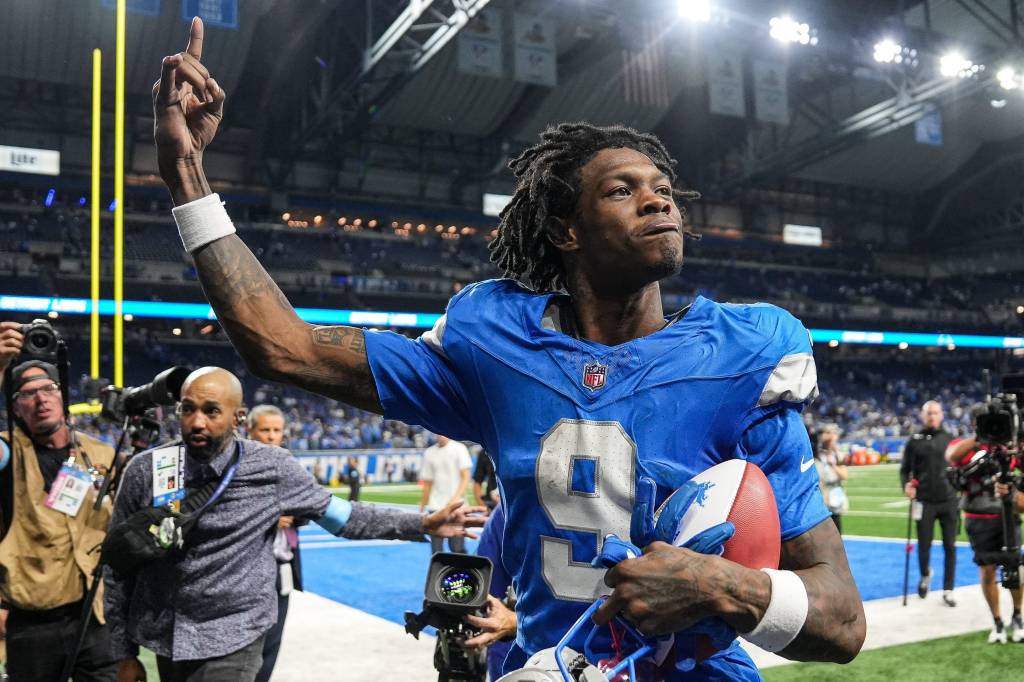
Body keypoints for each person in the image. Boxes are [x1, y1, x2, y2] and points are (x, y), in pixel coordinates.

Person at [151, 19, 865, 678]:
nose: (659, 201)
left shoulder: (744, 356)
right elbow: (286, 348)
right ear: (566, 232)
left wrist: (720, 584)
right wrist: (188, 176)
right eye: (624, 190)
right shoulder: (495, 342)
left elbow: (841, 622)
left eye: (664, 189)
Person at [107, 367, 484, 682]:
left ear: (238, 418)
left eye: (211, 411)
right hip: (165, 635)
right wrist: (120, 653)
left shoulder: (272, 468)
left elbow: (343, 517)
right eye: (187, 410)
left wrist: (422, 522)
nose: (197, 422)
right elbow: (116, 564)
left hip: (236, 634)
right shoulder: (147, 471)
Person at [0, 322, 119, 681]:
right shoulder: (7, 452)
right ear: (15, 408)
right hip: (33, 623)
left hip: (95, 618)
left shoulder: (100, 453)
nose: (40, 399)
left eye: (49, 388)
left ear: (63, 394)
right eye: (26, 394)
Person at [946, 433, 1024, 643]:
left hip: (1009, 515)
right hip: (978, 518)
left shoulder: (1011, 445)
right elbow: (951, 455)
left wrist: (1014, 495)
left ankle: (1017, 616)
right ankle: (997, 621)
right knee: (987, 569)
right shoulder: (968, 446)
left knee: (1016, 568)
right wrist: (981, 437)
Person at [246, 404, 298, 682]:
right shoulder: (238, 468)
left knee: (273, 643)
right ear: (250, 431)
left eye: (276, 430)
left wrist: (295, 513)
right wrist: (270, 518)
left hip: (282, 567)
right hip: (249, 571)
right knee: (249, 643)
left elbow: (308, 510)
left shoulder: (290, 465)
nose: (271, 436)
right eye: (264, 430)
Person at [900, 400, 958, 606]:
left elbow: (959, 467)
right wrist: (906, 485)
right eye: (928, 413)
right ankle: (925, 575)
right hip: (924, 501)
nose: (932, 416)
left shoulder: (951, 439)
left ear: (941, 415)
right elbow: (904, 469)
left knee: (950, 546)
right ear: (923, 416)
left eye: (935, 412)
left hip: (949, 500)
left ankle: (948, 589)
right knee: (924, 545)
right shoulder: (914, 440)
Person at [465, 504, 516, 681]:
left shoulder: (506, 509)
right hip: (598, 656)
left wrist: (515, 622)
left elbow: (491, 599)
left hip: (516, 653)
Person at [419, 435, 472, 554]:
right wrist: (423, 503)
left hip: (456, 508)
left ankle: (461, 572)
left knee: (457, 549)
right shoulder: (429, 453)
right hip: (435, 507)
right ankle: (438, 572)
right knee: (436, 550)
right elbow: (428, 482)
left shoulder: (459, 448)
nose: (440, 435)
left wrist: (456, 498)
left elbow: (465, 476)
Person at [814, 425, 848, 533]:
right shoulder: (815, 453)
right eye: (828, 432)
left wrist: (833, 465)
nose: (832, 436)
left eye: (833, 433)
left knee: (837, 532)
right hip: (821, 498)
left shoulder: (838, 455)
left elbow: (844, 475)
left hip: (834, 497)